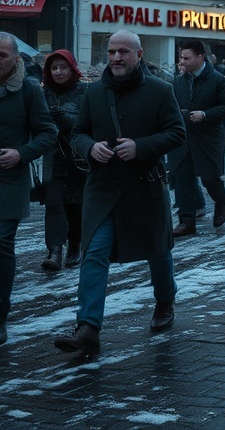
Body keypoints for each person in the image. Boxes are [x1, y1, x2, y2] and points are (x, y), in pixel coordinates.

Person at [54, 30, 185, 355]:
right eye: (112, 51)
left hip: (144, 187)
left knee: (157, 251)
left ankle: (165, 300)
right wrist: (89, 147)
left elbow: (176, 133)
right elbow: (79, 133)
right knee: (94, 253)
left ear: (138, 55)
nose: (116, 57)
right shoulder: (94, 92)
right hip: (102, 189)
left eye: (124, 51)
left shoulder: (160, 90)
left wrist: (141, 147)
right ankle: (88, 327)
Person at [0, 34, 57, 346]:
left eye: (2, 55)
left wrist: (21, 153)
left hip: (9, 181)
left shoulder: (28, 91)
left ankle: (0, 315)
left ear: (16, 59)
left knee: (1, 244)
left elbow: (48, 133)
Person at [167, 40, 225, 237]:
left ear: (200, 57)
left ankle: (220, 200)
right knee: (182, 179)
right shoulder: (178, 81)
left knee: (209, 178)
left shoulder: (218, 79)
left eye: (186, 58)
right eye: (181, 57)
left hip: (208, 138)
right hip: (183, 138)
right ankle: (186, 221)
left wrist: (205, 114)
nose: (182, 61)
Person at [40, 49, 89, 271]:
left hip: (78, 156)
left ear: (72, 68)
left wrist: (68, 117)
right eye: (54, 68)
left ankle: (75, 244)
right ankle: (55, 250)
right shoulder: (42, 93)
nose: (59, 72)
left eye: (63, 67)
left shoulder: (85, 91)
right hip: (52, 155)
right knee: (54, 203)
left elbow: (88, 122)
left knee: (75, 205)